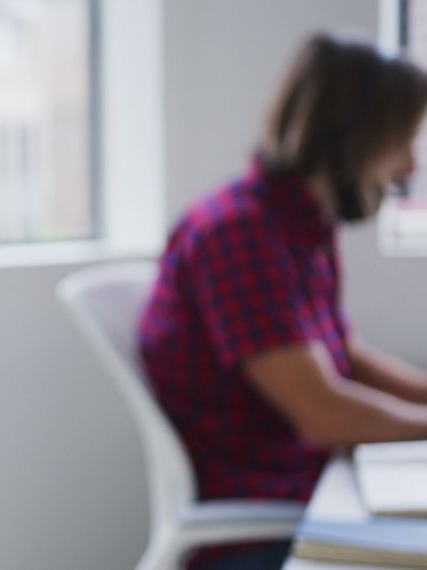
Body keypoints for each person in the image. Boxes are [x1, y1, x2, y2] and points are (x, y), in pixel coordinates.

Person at [139, 33, 427, 570]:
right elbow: (323, 413)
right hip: (266, 531)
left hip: (311, 495)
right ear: (355, 135)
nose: (411, 166)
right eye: (403, 140)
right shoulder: (239, 235)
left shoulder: (298, 227)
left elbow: (343, 356)